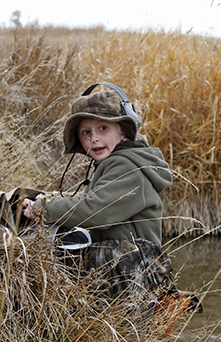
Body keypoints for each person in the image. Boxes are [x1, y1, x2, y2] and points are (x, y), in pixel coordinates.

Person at [23, 85, 188, 319]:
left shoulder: (128, 167)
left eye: (103, 128)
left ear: (123, 132)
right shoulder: (115, 162)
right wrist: (49, 200)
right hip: (127, 272)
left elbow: (93, 211)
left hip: (133, 275)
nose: (94, 138)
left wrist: (43, 208)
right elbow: (88, 201)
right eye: (86, 132)